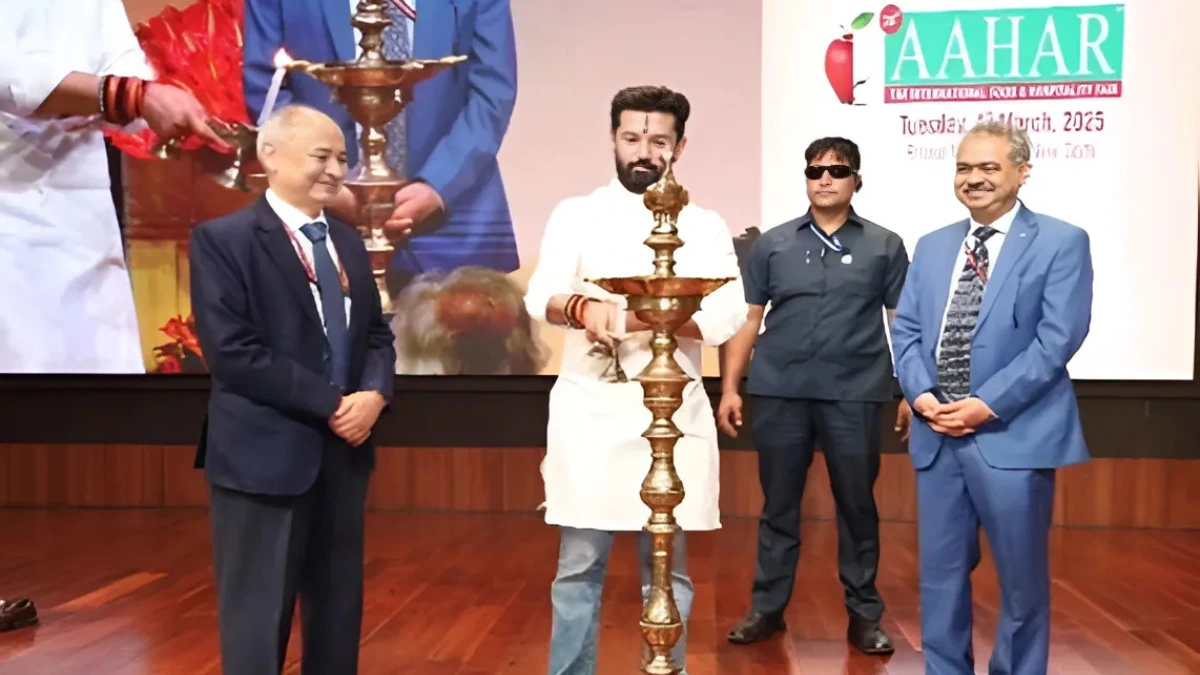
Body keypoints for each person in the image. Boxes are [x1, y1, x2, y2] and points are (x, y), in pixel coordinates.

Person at [524, 85, 747, 675]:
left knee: (667, 569)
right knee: (578, 567)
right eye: (631, 138)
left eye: (658, 142)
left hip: (673, 414)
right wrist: (583, 309)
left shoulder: (704, 224)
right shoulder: (577, 213)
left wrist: (639, 317)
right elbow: (541, 295)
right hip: (591, 407)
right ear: (612, 139)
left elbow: (726, 315)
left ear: (680, 146)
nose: (643, 152)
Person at [189, 104, 395, 675]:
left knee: (337, 614)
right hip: (262, 457)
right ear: (270, 157)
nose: (336, 170)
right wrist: (334, 404)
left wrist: (375, 394)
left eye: (342, 159)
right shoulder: (223, 240)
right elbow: (233, 351)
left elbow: (377, 335)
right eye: (321, 156)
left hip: (343, 455)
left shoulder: (348, 243)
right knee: (257, 621)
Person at [891, 120, 1092, 675]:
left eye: (988, 167)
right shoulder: (932, 245)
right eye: (963, 167)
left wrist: (986, 404)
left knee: (1021, 582)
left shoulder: (1062, 241)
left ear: (1022, 172)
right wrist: (921, 394)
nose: (973, 178)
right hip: (936, 433)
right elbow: (906, 332)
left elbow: (1057, 340)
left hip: (1012, 434)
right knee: (939, 578)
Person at [719, 137, 908, 654]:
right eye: (815, 170)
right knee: (778, 505)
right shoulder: (773, 244)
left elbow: (901, 322)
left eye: (838, 171)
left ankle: (864, 616)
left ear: (857, 181)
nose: (825, 179)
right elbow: (749, 318)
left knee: (857, 505)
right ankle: (767, 609)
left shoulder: (885, 245)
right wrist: (731, 387)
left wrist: (912, 390)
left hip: (856, 392)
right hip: (780, 390)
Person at [0, 0, 228, 373]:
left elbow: (123, 63)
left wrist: (141, 98)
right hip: (10, 210)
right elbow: (12, 76)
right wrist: (127, 96)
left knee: (100, 383)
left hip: (84, 217)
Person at [243, 0, 520, 297]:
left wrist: (439, 185)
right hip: (322, 228)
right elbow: (266, 87)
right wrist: (323, 179)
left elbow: (492, 93)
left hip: (453, 224)